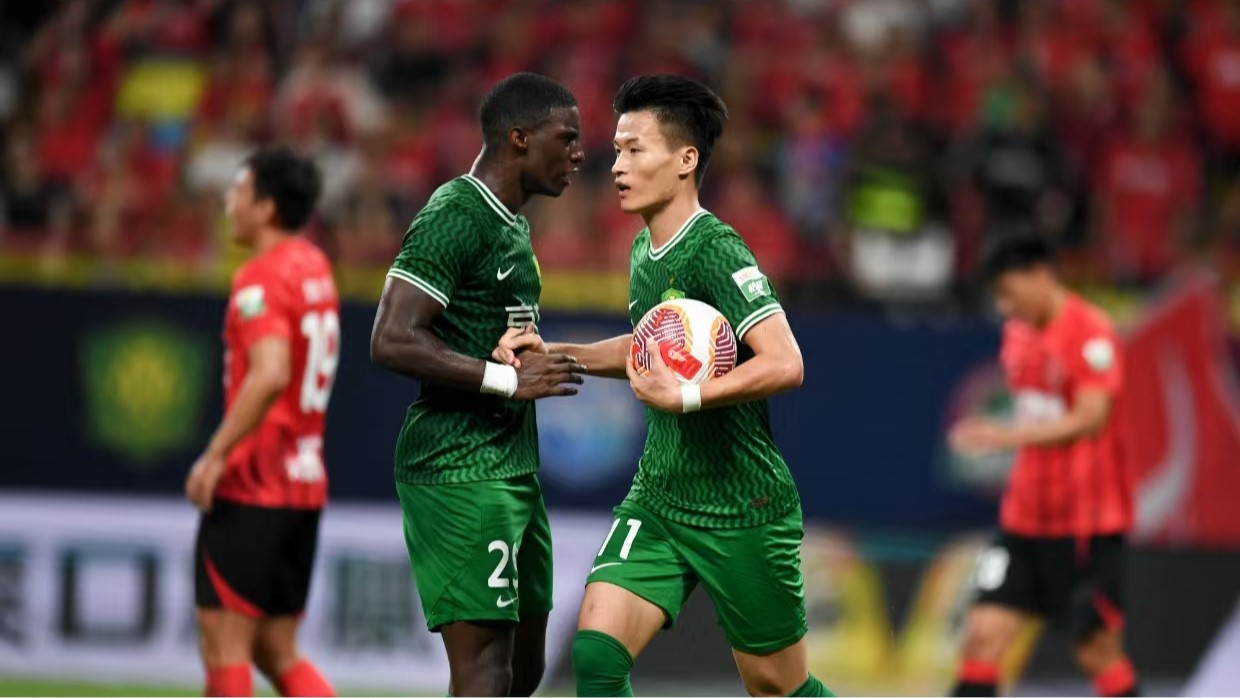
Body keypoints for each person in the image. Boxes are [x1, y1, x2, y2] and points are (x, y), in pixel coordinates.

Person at [495, 74, 833, 697]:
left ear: (685, 160)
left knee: (775, 686)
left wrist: (687, 396)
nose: (616, 165)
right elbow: (644, 350)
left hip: (742, 505)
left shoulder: (715, 249)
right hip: (659, 496)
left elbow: (786, 362)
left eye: (634, 150)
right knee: (596, 656)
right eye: (617, 149)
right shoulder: (644, 247)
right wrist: (556, 351)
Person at [369, 72, 587, 697]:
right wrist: (504, 378)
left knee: (524, 671)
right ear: (519, 138)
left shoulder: (513, 225)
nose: (579, 153)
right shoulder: (454, 214)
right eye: (565, 137)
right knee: (485, 669)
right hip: (459, 465)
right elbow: (390, 337)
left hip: (514, 464)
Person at [948, 233, 1139, 697]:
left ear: (1041, 275)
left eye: (1009, 292)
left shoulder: (1091, 332)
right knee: (982, 635)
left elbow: (1091, 420)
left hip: (1085, 526)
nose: (1004, 305)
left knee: (1097, 651)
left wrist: (1002, 436)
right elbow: (1037, 410)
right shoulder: (1017, 333)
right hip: (1023, 519)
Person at [186, 146, 337, 698]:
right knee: (277, 650)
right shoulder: (315, 267)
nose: (229, 203)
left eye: (238, 192)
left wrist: (216, 454)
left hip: (254, 481)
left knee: (224, 647)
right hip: (303, 482)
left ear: (266, 207)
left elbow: (270, 372)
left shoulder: (260, 278)